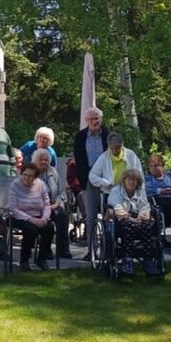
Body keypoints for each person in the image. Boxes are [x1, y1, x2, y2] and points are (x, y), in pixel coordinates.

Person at [107, 168, 160, 277]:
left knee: (147, 226)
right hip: (121, 219)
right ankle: (127, 260)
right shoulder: (116, 191)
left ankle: (148, 260)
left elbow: (145, 207)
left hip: (139, 218)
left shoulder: (141, 192)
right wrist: (130, 218)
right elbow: (116, 207)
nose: (131, 182)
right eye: (129, 179)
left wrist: (141, 217)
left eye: (134, 180)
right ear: (124, 180)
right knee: (129, 226)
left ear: (138, 182)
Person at [73, 108, 108, 262]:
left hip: (107, 180)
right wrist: (84, 179)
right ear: (87, 121)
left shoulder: (108, 135)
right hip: (88, 179)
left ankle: (108, 249)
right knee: (91, 216)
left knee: (109, 214)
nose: (95, 121)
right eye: (92, 119)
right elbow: (78, 160)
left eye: (98, 118)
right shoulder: (80, 137)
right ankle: (91, 250)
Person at [7, 162, 54, 271]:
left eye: (30, 176)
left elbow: (47, 204)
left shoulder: (41, 185)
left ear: (35, 177)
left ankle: (42, 258)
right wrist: (31, 219)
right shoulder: (15, 184)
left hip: (38, 215)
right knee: (30, 229)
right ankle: (24, 260)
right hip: (19, 216)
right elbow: (12, 208)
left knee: (49, 227)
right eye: (25, 175)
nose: (26, 178)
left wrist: (45, 218)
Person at [33, 148, 71, 260]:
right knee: (46, 221)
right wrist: (45, 207)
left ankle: (63, 249)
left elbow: (60, 192)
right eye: (41, 160)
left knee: (62, 215)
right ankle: (46, 249)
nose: (44, 162)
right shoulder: (32, 173)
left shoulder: (53, 171)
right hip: (37, 207)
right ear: (35, 161)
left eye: (46, 160)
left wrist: (58, 202)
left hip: (53, 204)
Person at [88, 132, 143, 205]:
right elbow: (92, 175)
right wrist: (104, 182)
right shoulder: (104, 157)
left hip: (130, 193)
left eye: (117, 148)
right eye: (112, 148)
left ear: (122, 144)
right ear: (108, 146)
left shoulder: (130, 155)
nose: (114, 151)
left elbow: (139, 174)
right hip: (110, 193)